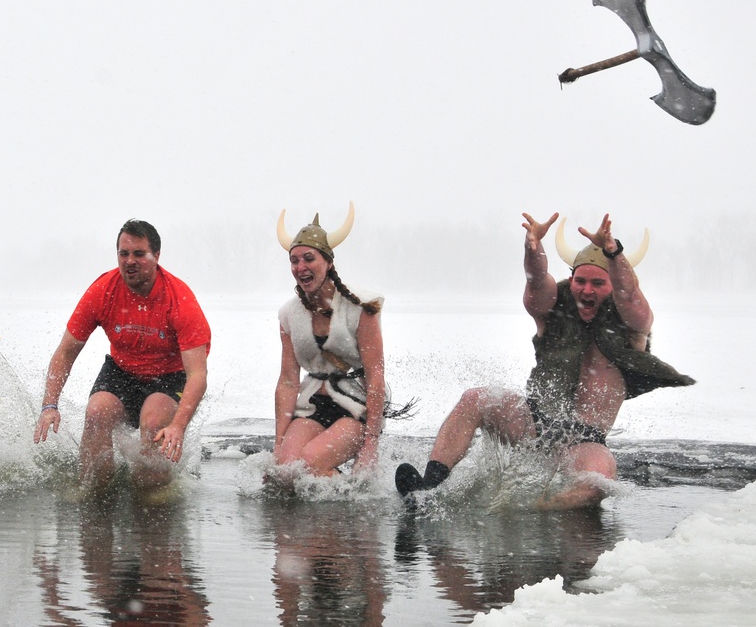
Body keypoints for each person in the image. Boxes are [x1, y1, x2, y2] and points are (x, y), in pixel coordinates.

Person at [395, 213, 694, 509]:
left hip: (584, 440)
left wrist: (613, 252)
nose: (586, 290)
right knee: (475, 399)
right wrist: (533, 248)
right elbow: (537, 282)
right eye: (581, 281)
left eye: (597, 284)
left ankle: (536, 510)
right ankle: (427, 489)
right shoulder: (555, 310)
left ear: (613, 285)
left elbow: (630, 296)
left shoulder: (631, 327)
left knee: (597, 483)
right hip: (535, 423)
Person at [33, 219, 211, 493]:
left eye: (139, 254)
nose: (130, 261)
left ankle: (153, 500)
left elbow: (198, 375)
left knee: (152, 424)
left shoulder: (180, 300)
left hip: (169, 378)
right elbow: (66, 352)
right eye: (124, 253)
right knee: (96, 413)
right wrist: (49, 405)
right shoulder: (103, 290)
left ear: (156, 256)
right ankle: (94, 496)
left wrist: (178, 425)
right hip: (122, 371)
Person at [273, 203, 387, 477]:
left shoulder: (361, 308)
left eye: (309, 258)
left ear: (329, 262)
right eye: (294, 260)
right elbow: (288, 380)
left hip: (354, 406)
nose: (300, 267)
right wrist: (279, 441)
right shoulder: (289, 314)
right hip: (313, 404)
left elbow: (375, 374)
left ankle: (350, 510)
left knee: (312, 462)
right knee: (286, 471)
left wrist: (371, 440)